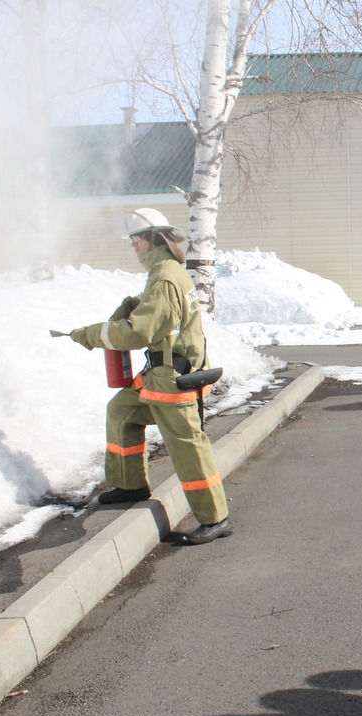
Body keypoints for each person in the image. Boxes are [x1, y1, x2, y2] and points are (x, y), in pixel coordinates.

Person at [69, 208, 232, 545]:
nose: (132, 245)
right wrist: (134, 302)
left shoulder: (165, 277)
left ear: (153, 239)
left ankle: (215, 518)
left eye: (136, 239)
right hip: (159, 377)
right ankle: (130, 485)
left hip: (172, 381)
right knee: (122, 410)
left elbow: (138, 332)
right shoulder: (164, 273)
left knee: (187, 446)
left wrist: (92, 334)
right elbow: (157, 311)